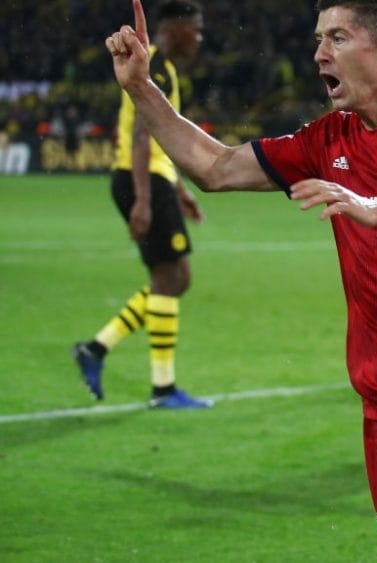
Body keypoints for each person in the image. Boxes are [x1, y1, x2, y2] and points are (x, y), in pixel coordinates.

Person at [105, 0, 377, 560]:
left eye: (336, 38)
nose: (318, 53)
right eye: (318, 39)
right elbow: (216, 168)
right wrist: (141, 87)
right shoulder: (327, 141)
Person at [73, 0, 211, 409]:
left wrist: (181, 192)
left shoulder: (162, 69)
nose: (199, 39)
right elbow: (140, 137)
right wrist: (145, 202)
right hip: (142, 181)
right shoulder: (149, 63)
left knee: (173, 279)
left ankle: (97, 350)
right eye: (196, 30)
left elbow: (163, 141)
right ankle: (161, 388)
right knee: (172, 279)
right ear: (177, 27)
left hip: (153, 181)